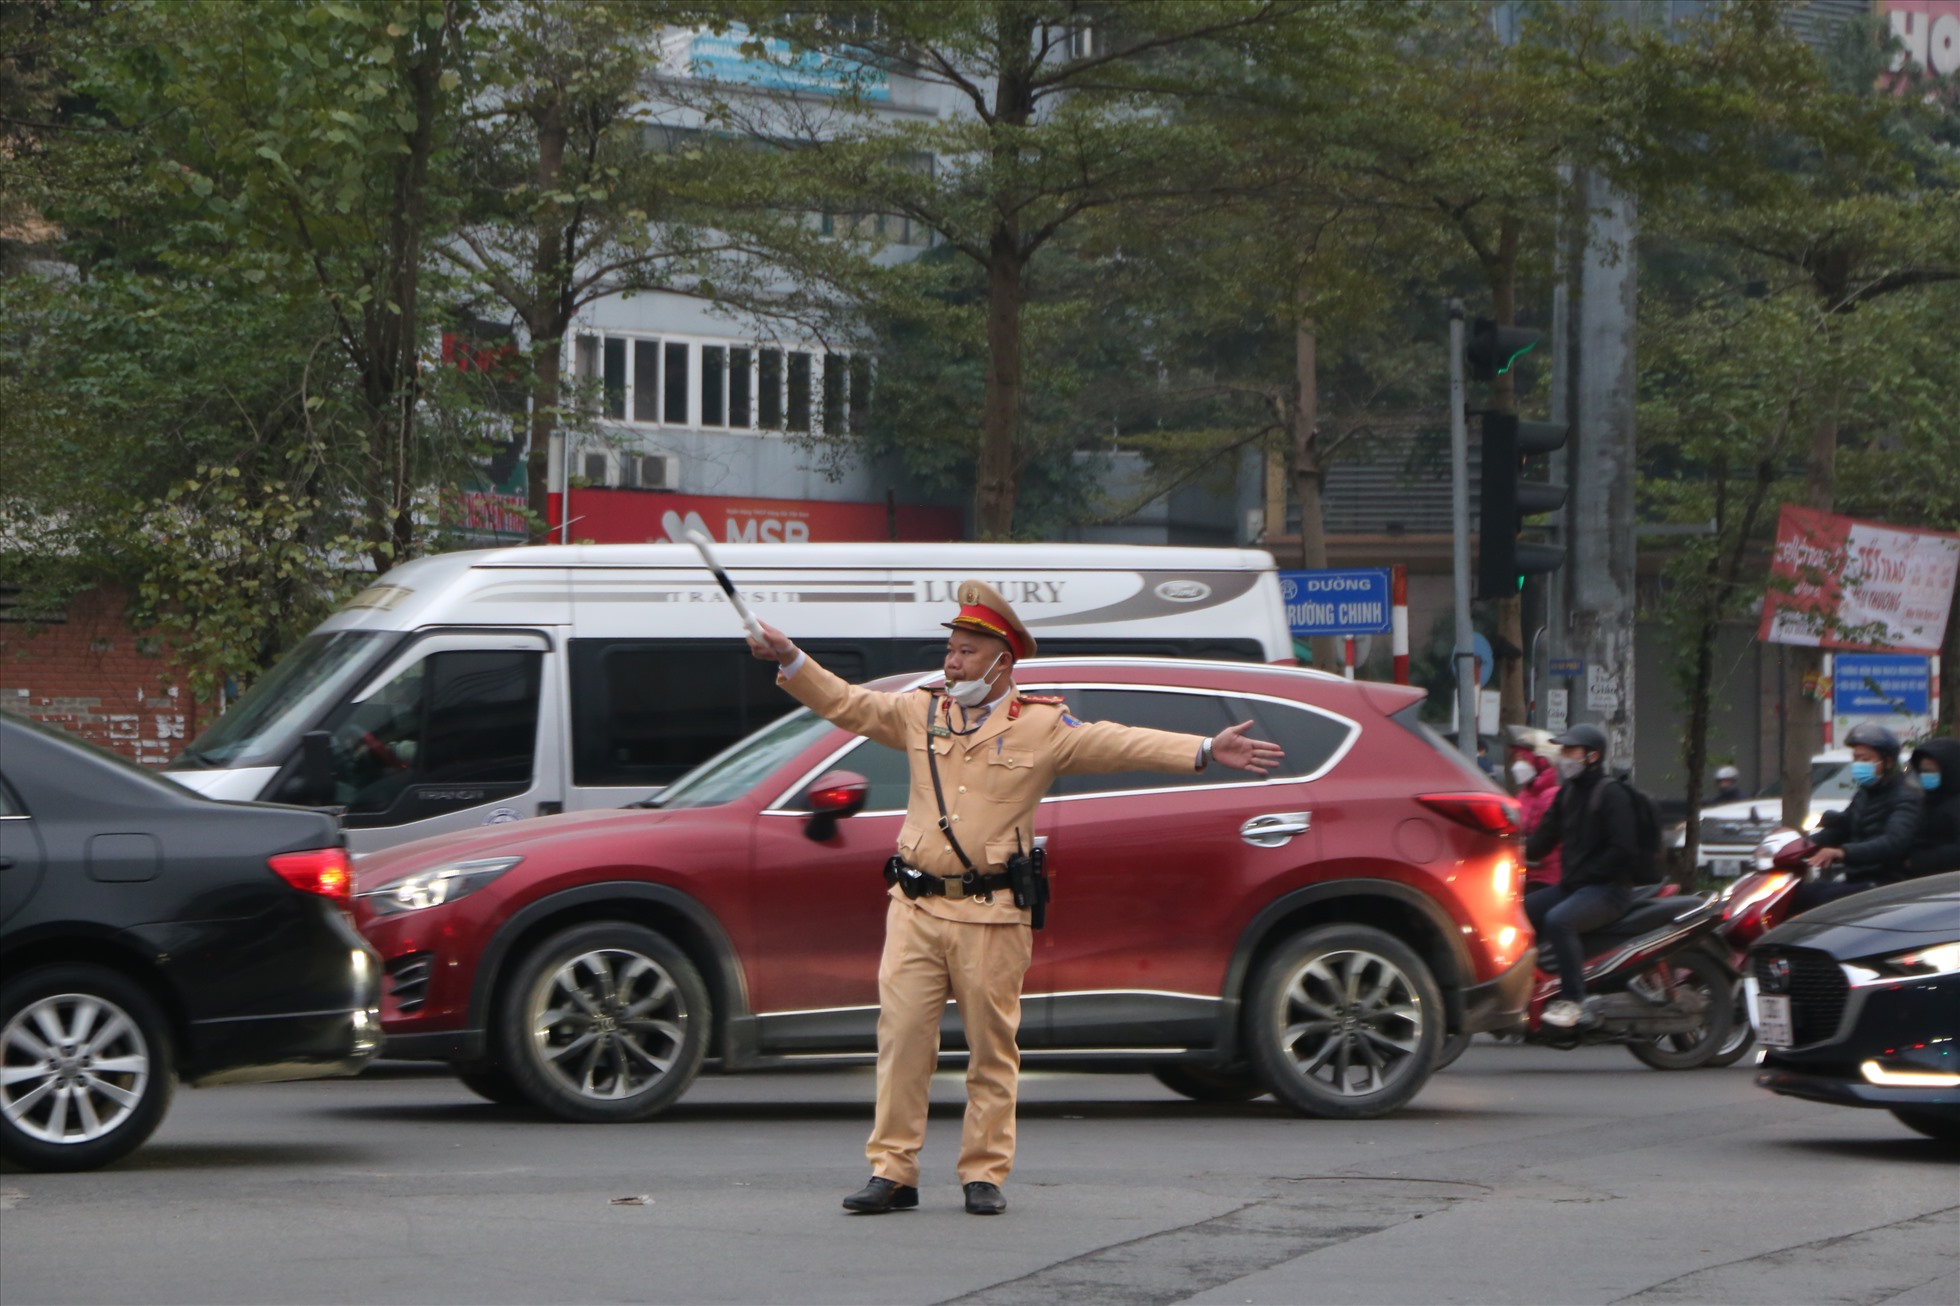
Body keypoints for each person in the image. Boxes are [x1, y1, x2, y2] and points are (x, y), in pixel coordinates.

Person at [747, 580, 1283, 1216]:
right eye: (951, 648)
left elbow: (1118, 741)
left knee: (991, 1048)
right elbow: (848, 704)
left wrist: (1201, 749)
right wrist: (791, 659)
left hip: (991, 912)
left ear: (1003, 661)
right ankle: (893, 1171)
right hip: (915, 907)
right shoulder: (921, 711)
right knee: (901, 1044)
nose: (952, 662)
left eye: (968, 651)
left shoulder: (1042, 725)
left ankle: (983, 1172)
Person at [1522, 723, 1636, 1029]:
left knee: (1559, 921)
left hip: (1609, 889)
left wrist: (1588, 873)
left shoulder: (1612, 794)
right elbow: (1540, 842)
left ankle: (1575, 1001)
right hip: (1574, 887)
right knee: (1518, 913)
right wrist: (1507, 850)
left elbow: (1624, 850)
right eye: (1563, 751)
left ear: (1593, 756)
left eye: (1571, 751)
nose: (1564, 757)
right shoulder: (1566, 794)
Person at [1793, 723, 1923, 912]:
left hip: (1885, 883)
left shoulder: (1906, 797)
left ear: (1887, 762)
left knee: (1818, 901)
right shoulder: (1865, 793)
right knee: (1796, 893)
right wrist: (1800, 845)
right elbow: (1843, 828)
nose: (1858, 764)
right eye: (1855, 759)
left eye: (1865, 759)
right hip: (1856, 879)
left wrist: (1842, 852)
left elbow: (1893, 842)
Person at [1900, 737, 1960, 879]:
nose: (1926, 777)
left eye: (1931, 772)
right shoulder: (1924, 801)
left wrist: (1916, 862)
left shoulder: (1955, 806)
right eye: (1923, 772)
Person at [1508, 747, 1562, 891]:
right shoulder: (1524, 795)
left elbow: (1542, 837)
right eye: (1516, 760)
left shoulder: (1552, 795)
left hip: (1547, 875)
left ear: (1540, 762)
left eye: (1523, 759)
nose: (1518, 765)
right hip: (1526, 872)